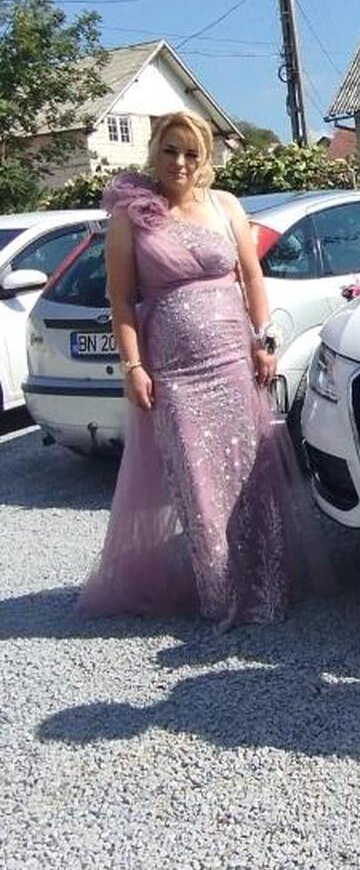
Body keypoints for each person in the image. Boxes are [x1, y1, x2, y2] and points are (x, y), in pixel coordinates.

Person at [78, 110, 322, 630]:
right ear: (154, 150)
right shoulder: (130, 216)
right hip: (175, 374)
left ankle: (267, 588)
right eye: (170, 150)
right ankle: (223, 596)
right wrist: (133, 366)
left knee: (250, 478)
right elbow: (121, 300)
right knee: (198, 487)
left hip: (233, 361)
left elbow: (251, 278)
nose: (180, 163)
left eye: (191, 153)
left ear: (206, 156)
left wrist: (263, 340)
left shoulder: (225, 205)